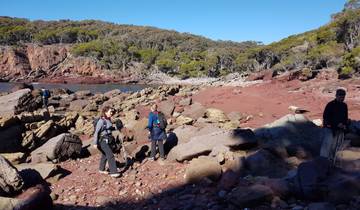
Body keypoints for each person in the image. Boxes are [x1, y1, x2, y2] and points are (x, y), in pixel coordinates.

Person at [320, 89, 349, 163]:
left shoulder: (344, 105)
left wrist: (344, 125)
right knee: (327, 146)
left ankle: (333, 162)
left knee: (336, 147)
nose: (342, 98)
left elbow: (345, 117)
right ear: (336, 96)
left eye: (343, 96)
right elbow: (326, 117)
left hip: (340, 130)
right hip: (330, 128)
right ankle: (323, 162)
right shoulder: (330, 104)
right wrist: (336, 124)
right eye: (340, 96)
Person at [93, 106, 121, 177]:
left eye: (112, 112)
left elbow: (109, 129)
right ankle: (113, 172)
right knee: (110, 155)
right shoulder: (101, 121)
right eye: (110, 112)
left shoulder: (108, 119)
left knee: (105, 155)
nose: (111, 113)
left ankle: (101, 169)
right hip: (102, 141)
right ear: (105, 112)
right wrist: (95, 143)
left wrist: (117, 127)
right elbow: (96, 132)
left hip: (108, 140)